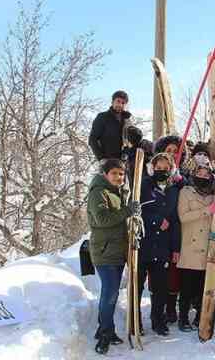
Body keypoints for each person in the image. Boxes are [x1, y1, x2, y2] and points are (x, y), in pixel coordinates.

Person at [87, 159, 140, 355]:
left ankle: (104, 329)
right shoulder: (98, 193)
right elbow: (102, 220)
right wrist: (127, 211)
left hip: (117, 251)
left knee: (113, 294)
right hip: (104, 251)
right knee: (109, 294)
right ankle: (104, 335)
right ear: (105, 174)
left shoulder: (116, 192)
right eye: (115, 173)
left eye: (121, 174)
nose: (119, 177)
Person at [138, 153, 181, 336]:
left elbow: (175, 220)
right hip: (143, 244)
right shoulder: (144, 185)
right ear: (152, 168)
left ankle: (158, 319)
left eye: (165, 168)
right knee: (138, 284)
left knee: (160, 286)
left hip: (163, 245)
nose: (161, 171)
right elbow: (137, 212)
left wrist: (176, 247)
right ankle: (135, 318)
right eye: (158, 168)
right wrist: (155, 220)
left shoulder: (173, 190)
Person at [176, 164, 215, 331]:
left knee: (204, 286)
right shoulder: (186, 192)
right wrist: (207, 210)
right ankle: (183, 319)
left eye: (206, 174)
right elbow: (183, 217)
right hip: (190, 246)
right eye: (199, 173)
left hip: (208, 246)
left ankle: (200, 317)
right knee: (187, 287)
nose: (202, 177)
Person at [88, 90, 133, 164]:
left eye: (123, 103)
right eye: (118, 101)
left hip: (123, 162)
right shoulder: (102, 117)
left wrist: (126, 154)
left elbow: (131, 141)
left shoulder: (127, 121)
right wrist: (101, 158)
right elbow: (92, 139)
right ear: (112, 102)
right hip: (107, 161)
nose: (120, 105)